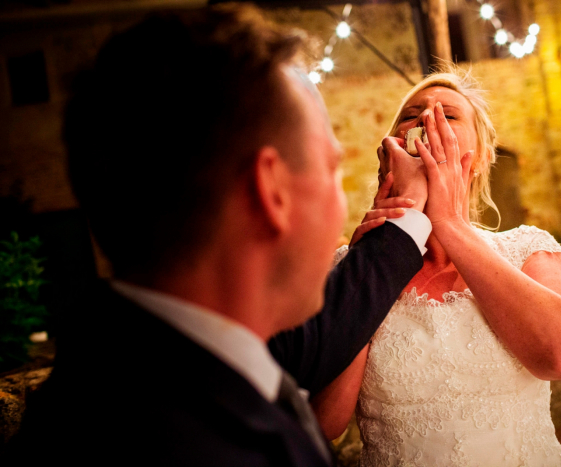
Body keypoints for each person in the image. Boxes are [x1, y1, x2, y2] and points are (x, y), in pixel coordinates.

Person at [4, 5, 433, 466]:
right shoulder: (193, 445)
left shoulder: (119, 370)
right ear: (271, 191)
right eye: (332, 168)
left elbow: (315, 340)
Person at [314, 67, 561, 467]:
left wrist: (450, 225)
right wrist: (370, 263)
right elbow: (326, 421)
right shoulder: (351, 265)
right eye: (411, 114)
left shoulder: (527, 250)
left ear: (479, 157)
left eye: (449, 114)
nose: (427, 120)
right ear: (388, 150)